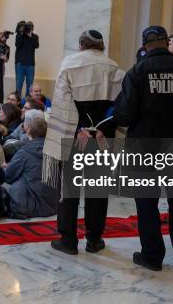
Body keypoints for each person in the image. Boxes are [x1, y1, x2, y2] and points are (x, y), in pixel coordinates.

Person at [113, 26, 173, 271]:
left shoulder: (137, 72)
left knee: (146, 203)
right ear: (167, 43)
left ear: (145, 46)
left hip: (144, 147)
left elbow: (123, 115)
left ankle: (152, 255)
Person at [44, 30, 124, 255]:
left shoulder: (69, 65)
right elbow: (120, 107)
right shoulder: (115, 68)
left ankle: (68, 240)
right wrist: (100, 129)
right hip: (102, 139)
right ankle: (94, 239)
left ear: (81, 45)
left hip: (75, 136)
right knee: (98, 190)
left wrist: (80, 128)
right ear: (102, 47)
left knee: (69, 190)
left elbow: (63, 104)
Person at [4, 116, 58, 218]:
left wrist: (8, 166)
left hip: (32, 207)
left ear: (28, 131)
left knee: (5, 184)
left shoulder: (24, 152)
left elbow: (8, 177)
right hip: (55, 204)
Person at [15, 20, 39, 96]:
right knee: (19, 84)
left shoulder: (35, 36)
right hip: (20, 63)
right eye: (28, 27)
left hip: (30, 64)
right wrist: (21, 33)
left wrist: (30, 36)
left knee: (30, 85)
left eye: (31, 27)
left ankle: (27, 102)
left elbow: (36, 45)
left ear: (33, 28)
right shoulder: (20, 35)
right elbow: (17, 45)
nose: (29, 28)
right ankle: (17, 103)